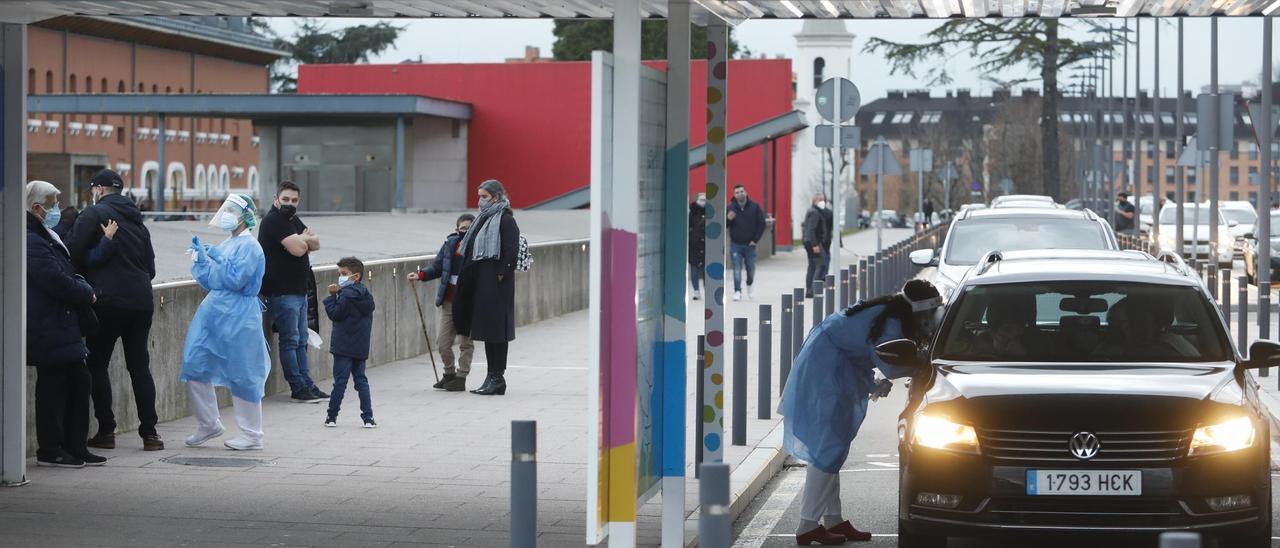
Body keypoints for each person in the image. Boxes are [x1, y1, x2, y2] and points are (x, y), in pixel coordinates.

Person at [782, 280, 942, 545]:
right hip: (826, 371)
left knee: (833, 449)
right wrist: (922, 367)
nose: (930, 320)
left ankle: (833, 519)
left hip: (836, 367)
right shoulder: (892, 325)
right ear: (918, 311)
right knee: (828, 450)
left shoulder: (891, 313)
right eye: (929, 314)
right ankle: (807, 525)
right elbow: (892, 366)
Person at [68, 169, 163, 452]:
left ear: (98, 189)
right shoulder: (139, 223)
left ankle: (106, 430)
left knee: (97, 364)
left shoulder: (93, 215)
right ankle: (150, 433)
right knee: (139, 367)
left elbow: (71, 254)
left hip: (106, 302)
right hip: (141, 302)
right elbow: (151, 269)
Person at [25, 180, 105, 468]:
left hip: (60, 323)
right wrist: (86, 291)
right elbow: (56, 280)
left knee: (78, 382)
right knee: (54, 387)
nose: (57, 208)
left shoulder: (44, 235)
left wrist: (80, 285)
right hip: (48, 325)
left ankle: (75, 445)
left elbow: (66, 271)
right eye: (53, 203)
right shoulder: (32, 240)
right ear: (36, 208)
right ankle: (51, 449)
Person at [181, 194, 271, 451]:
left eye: (232, 211)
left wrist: (219, 259)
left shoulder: (251, 247)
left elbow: (237, 280)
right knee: (194, 363)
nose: (226, 215)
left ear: (245, 216)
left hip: (240, 315)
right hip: (214, 312)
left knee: (243, 372)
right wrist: (200, 259)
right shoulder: (228, 243)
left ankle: (252, 434)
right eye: (226, 210)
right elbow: (211, 280)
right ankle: (208, 423)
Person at [258, 181, 327, 402]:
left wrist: (303, 239)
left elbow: (316, 243)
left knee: (301, 339)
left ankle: (307, 384)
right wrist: (303, 239)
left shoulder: (291, 220)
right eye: (285, 199)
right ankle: (297, 387)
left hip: (299, 290)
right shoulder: (273, 221)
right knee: (290, 340)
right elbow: (299, 250)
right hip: (282, 292)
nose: (290, 204)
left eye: (294, 200)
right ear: (275, 199)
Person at [454, 179, 521, 396]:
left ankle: (497, 378)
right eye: (479, 196)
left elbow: (511, 251)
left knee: (497, 333)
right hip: (481, 285)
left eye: (484, 196)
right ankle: (491, 377)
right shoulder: (483, 219)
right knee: (489, 333)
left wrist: (500, 275)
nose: (480, 201)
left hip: (496, 287)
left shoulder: (505, 220)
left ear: (496, 197)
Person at [408, 214, 476, 392]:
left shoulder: (479, 247)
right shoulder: (449, 245)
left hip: (469, 303)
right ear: (456, 230)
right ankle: (449, 374)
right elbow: (437, 267)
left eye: (470, 228)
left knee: (466, 343)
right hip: (449, 302)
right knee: (443, 343)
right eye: (463, 229)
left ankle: (461, 377)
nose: (466, 232)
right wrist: (421, 275)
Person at [324, 257, 377, 428]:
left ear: (355, 276)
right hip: (360, 346)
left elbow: (336, 314)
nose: (340, 277)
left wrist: (331, 297)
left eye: (344, 274)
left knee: (340, 381)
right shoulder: (366, 295)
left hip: (343, 345)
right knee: (361, 380)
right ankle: (368, 417)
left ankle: (331, 417)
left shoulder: (345, 295)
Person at [726, 184, 767, 301]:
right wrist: (728, 219)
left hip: (750, 245)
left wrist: (755, 240)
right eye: (737, 192)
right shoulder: (730, 208)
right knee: (737, 269)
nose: (740, 194)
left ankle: (750, 284)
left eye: (741, 191)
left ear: (746, 192)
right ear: (734, 195)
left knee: (751, 269)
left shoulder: (754, 207)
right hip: (736, 244)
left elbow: (761, 223)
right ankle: (737, 291)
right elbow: (724, 225)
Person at [802, 192, 833, 298]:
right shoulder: (815, 212)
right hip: (813, 243)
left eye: (823, 199)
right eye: (820, 199)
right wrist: (815, 244)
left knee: (812, 266)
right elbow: (811, 229)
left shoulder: (814, 211)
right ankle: (813, 289)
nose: (822, 201)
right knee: (820, 264)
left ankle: (810, 290)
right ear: (815, 201)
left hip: (809, 242)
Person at [688, 193, 706, 300]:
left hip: (705, 245)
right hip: (694, 245)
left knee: (705, 269)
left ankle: (706, 288)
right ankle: (696, 291)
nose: (703, 202)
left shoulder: (710, 213)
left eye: (705, 200)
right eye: (701, 199)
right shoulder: (691, 213)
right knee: (694, 269)